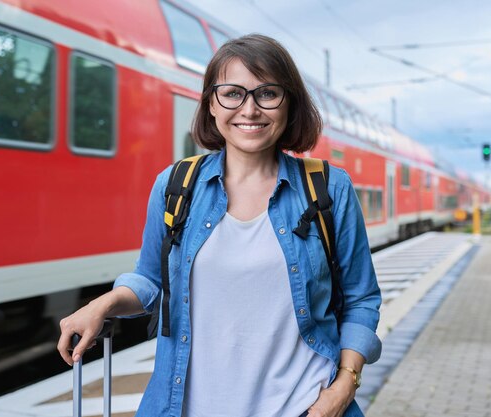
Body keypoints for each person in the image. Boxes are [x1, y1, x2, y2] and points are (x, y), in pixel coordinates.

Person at [58, 34, 381, 417]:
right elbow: (151, 279)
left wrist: (344, 386)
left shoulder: (328, 187)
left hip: (303, 407)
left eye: (268, 93)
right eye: (232, 93)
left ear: (289, 103)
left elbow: (361, 299)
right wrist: (105, 303)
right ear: (212, 103)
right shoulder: (177, 185)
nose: (250, 109)